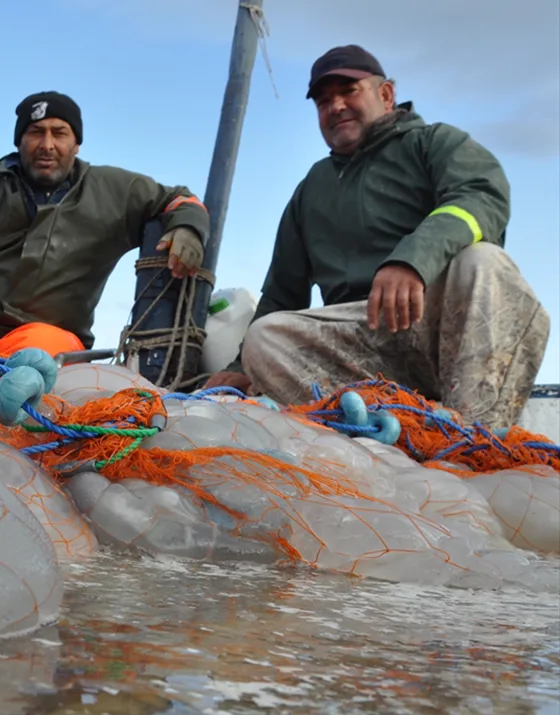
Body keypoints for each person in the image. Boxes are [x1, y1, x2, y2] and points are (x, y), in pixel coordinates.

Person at [205, 45, 550, 429]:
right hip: (361, 342)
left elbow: (481, 197)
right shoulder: (311, 189)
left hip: (441, 326)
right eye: (323, 101)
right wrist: (241, 366)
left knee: (483, 261)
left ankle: (472, 436)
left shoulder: (434, 143)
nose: (335, 106)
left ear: (386, 94)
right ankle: (384, 428)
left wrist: (412, 261)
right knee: (265, 337)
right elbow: (282, 295)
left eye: (348, 91)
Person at [0, 91, 210, 358]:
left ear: (76, 143)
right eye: (35, 132)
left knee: (42, 353)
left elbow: (180, 199)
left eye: (59, 133)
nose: (47, 145)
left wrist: (188, 228)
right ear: (19, 141)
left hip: (44, 337)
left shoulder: (115, 190)